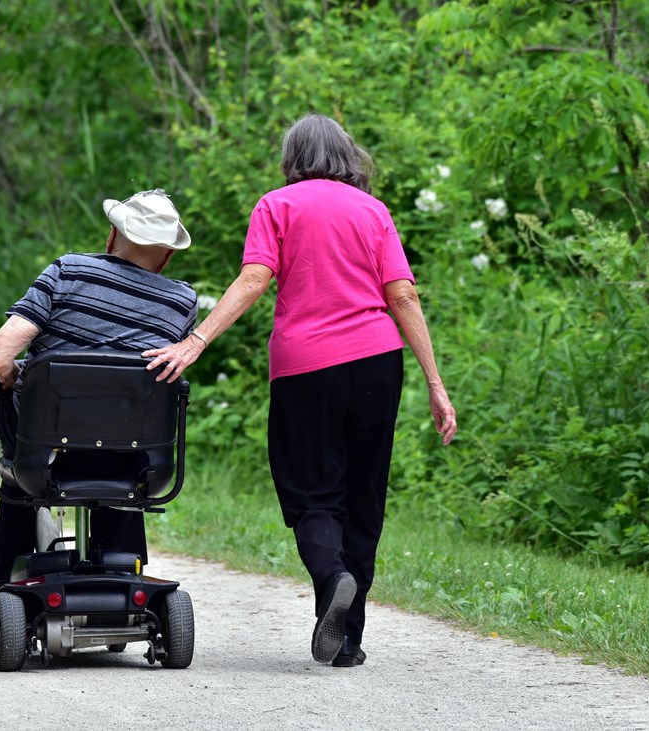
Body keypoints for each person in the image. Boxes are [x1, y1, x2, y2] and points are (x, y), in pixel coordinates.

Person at [143, 114, 457, 667]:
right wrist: (436, 385)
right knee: (364, 496)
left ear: (292, 157)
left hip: (306, 367)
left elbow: (254, 279)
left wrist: (195, 341)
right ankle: (346, 641)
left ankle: (332, 577)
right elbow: (403, 296)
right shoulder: (374, 211)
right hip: (378, 362)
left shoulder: (277, 205)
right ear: (347, 155)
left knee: (312, 491)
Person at [0, 188, 197, 585]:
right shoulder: (182, 301)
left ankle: (8, 576)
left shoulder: (68, 271)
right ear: (167, 255)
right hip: (135, 461)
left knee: (16, 420)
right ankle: (123, 570)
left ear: (112, 236)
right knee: (127, 426)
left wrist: (12, 377)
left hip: (46, 456)